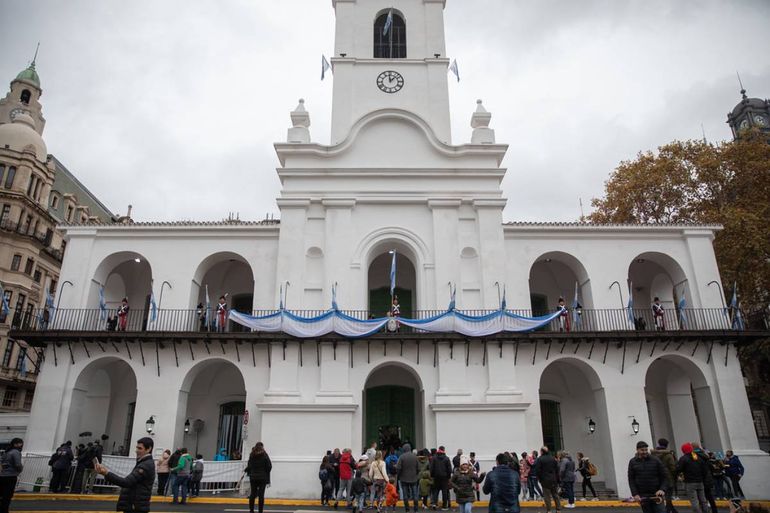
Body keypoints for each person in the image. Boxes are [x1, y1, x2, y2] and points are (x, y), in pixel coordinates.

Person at [95, 437, 155, 513]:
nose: (136, 451)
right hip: (135, 505)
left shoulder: (145, 465)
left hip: (135, 507)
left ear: (149, 449)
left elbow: (126, 482)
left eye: (140, 448)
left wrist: (106, 473)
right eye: (137, 448)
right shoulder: (143, 463)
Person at [627, 441, 667, 513]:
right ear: (637, 450)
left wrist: (662, 489)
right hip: (643, 496)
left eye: (646, 450)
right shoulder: (632, 462)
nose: (645, 452)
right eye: (642, 450)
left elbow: (664, 476)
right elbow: (631, 479)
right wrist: (635, 494)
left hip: (656, 494)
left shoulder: (655, 460)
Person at [676, 443, 710, 513]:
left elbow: (678, 469)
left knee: (694, 501)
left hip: (690, 482)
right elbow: (704, 470)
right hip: (700, 481)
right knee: (703, 500)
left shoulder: (683, 458)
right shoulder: (697, 457)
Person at [651, 439, 678, 513]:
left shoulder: (653, 454)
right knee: (668, 496)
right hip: (668, 478)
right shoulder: (669, 455)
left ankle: (672, 510)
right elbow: (672, 467)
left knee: (660, 496)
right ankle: (667, 510)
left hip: (657, 478)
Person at [245, 442, 272, 513]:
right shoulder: (264, 455)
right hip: (262, 477)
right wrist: (265, 472)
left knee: (253, 494)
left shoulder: (252, 455)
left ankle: (251, 511)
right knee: (261, 495)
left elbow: (249, 465)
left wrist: (248, 471)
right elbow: (269, 466)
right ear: (262, 447)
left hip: (253, 477)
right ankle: (260, 511)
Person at [533, 446, 560, 513]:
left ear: (542, 451)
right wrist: (557, 479)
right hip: (553, 479)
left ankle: (549, 510)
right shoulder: (553, 458)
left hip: (545, 480)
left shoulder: (540, 459)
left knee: (547, 496)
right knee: (555, 495)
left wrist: (540, 479)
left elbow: (537, 470)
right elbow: (557, 469)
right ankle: (558, 509)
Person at [0, 438, 23, 513]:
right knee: (7, 496)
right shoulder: (16, 452)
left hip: (2, 475)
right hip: (11, 476)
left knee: (2, 494)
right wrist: (20, 470)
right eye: (20, 443)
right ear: (15, 444)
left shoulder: (7, 452)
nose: (21, 445)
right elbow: (17, 464)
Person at [396, 443, 420, 513]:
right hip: (413, 478)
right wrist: (415, 474)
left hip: (404, 478)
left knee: (405, 495)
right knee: (415, 494)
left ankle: (407, 509)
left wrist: (399, 475)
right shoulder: (415, 457)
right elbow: (418, 468)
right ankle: (416, 509)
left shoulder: (402, 457)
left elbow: (398, 468)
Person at [429, 446, 452, 510]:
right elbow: (449, 469)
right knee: (444, 491)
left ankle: (434, 504)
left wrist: (432, 476)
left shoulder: (434, 458)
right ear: (444, 450)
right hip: (445, 477)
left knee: (436, 491)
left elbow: (431, 468)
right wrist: (449, 477)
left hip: (436, 477)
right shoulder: (447, 458)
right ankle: (444, 506)